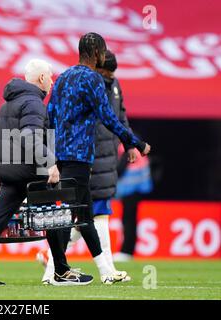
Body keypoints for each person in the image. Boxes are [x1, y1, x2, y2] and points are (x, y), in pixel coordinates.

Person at [0, 59, 94, 286]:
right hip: (31, 171)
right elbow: (29, 136)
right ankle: (61, 273)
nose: (52, 81)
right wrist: (49, 163)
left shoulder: (8, 104)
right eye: (50, 76)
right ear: (42, 79)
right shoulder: (34, 103)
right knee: (54, 219)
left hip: (9, 170)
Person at [47, 33, 151, 284]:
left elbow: (49, 115)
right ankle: (83, 271)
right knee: (82, 216)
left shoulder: (62, 77)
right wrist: (135, 142)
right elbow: (108, 117)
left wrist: (52, 154)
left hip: (61, 156)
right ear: (98, 54)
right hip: (80, 157)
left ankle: (62, 270)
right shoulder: (93, 79)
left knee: (76, 216)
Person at [113, 144, 153, 262]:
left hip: (131, 188)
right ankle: (128, 251)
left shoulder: (126, 147)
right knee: (130, 219)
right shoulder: (133, 145)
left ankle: (127, 251)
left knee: (128, 220)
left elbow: (120, 169)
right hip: (138, 187)